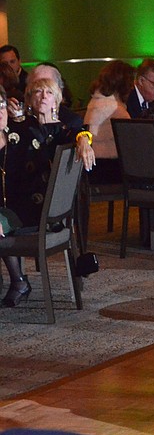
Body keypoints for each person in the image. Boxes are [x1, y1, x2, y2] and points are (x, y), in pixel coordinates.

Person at [1, 79, 95, 307]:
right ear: (29, 100)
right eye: (37, 92)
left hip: (38, 209)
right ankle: (18, 280)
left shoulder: (61, 130)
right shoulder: (20, 127)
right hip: (15, 202)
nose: (43, 96)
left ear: (58, 99)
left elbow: (77, 130)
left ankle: (18, 281)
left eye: (49, 92)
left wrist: (84, 139)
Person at [83, 60, 134, 185]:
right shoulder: (116, 109)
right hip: (107, 169)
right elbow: (129, 146)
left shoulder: (95, 102)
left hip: (92, 167)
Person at [27, 63, 83, 128]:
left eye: (49, 88)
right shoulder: (19, 121)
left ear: (59, 91)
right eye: (38, 88)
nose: (44, 95)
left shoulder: (72, 122)